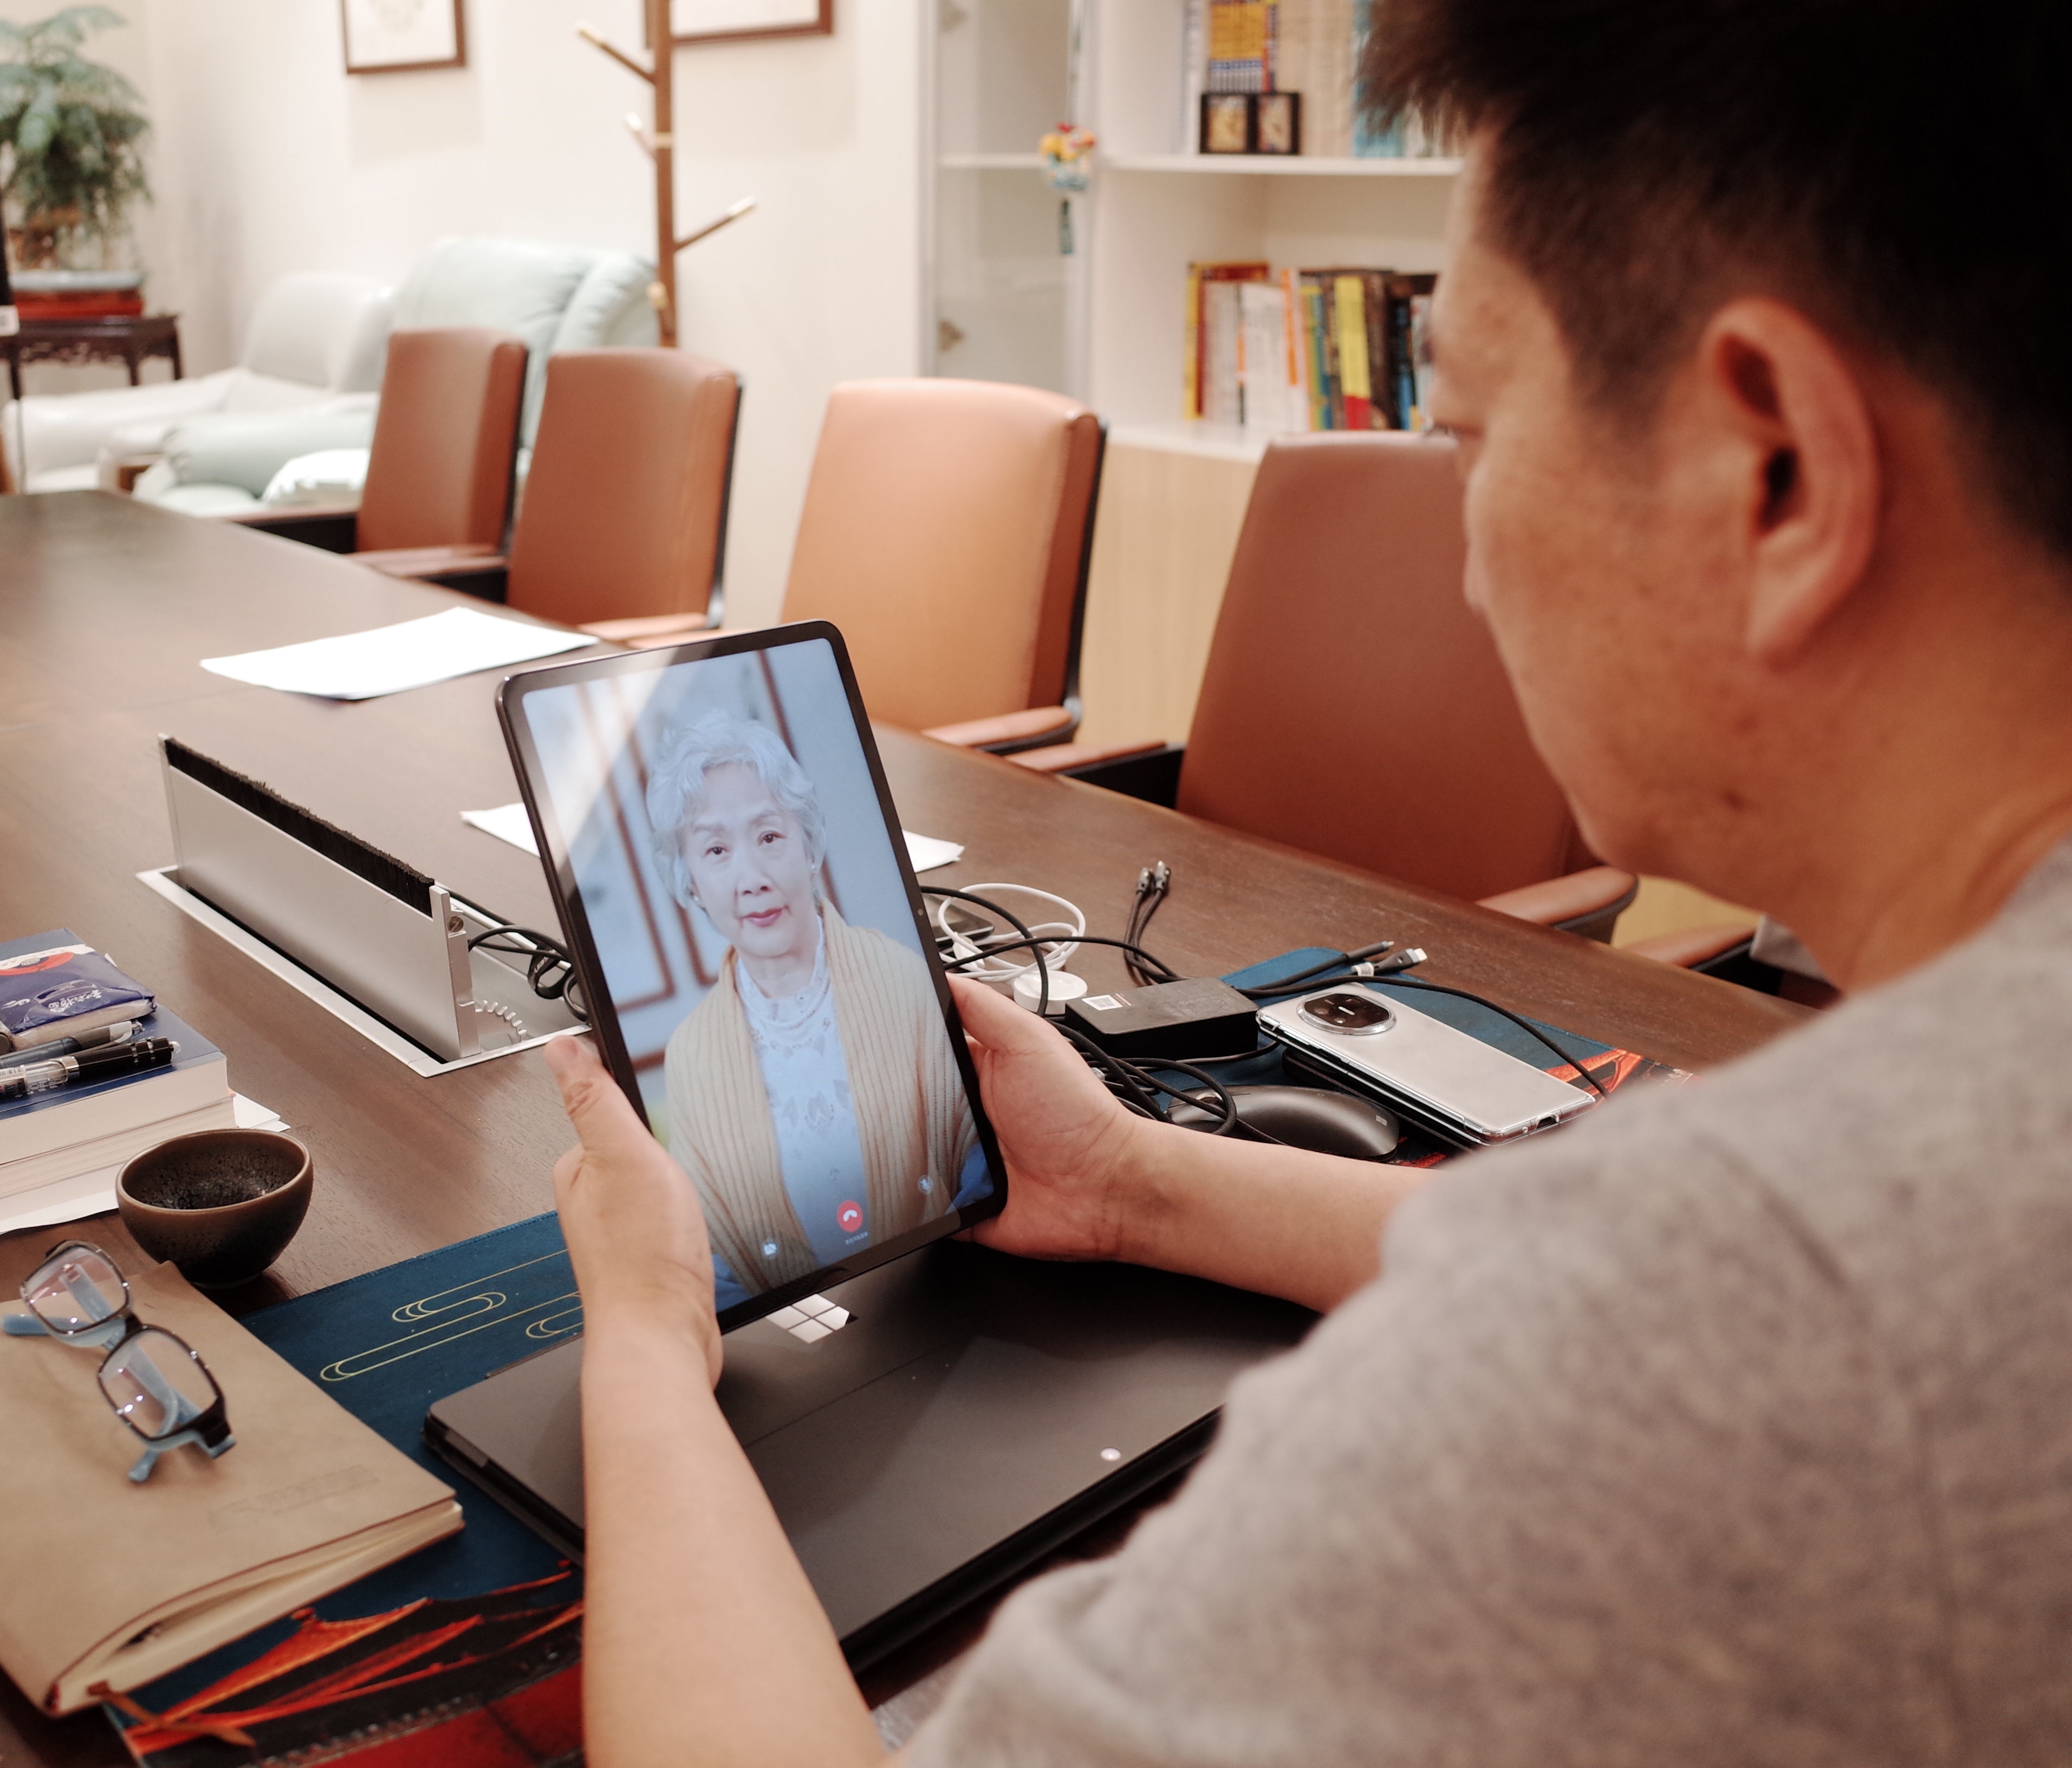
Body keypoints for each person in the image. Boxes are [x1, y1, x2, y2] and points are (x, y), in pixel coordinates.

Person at [541, 0, 2072, 1760]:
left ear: (1776, 469)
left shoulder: (1737, 1322)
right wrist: (1134, 1183)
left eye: (1469, 436)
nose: (1469, 559)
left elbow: (1680, 1305)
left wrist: (647, 1347)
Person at [645, 713, 981, 1304]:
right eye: (716, 849)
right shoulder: (690, 1055)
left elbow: (977, 1174)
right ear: (690, 882)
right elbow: (716, 1266)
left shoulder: (903, 978)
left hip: (947, 1291)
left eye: (769, 837)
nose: (751, 877)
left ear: (807, 845)